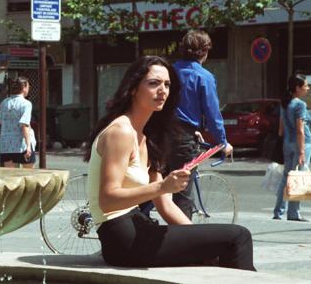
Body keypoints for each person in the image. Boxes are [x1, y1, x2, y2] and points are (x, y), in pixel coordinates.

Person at [85, 55, 255, 270]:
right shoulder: (121, 131)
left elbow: (166, 205)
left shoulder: (148, 136)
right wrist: (162, 186)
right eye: (153, 83)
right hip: (122, 236)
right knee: (239, 236)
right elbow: (107, 200)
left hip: (138, 228)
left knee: (222, 248)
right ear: (133, 88)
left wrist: (200, 241)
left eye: (167, 84)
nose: (162, 90)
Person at [166, 30, 233, 219]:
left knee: (153, 185)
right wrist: (223, 142)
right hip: (182, 138)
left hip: (159, 133)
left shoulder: (169, 71)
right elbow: (213, 115)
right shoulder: (203, 77)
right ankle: (183, 242)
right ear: (204, 52)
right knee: (182, 193)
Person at [273, 74, 311, 221]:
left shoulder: (284, 103)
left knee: (286, 177)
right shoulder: (300, 105)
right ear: (297, 88)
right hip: (302, 144)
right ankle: (293, 213)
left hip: (287, 143)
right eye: (305, 86)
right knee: (298, 178)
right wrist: (301, 151)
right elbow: (300, 129)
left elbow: (281, 128)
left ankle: (278, 211)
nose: (307, 88)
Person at [0, 76, 36, 168]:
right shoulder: (26, 103)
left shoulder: (4, 103)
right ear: (24, 88)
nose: (28, 89)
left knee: (10, 178)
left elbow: (1, 121)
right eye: (28, 87)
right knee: (29, 176)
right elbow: (24, 125)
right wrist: (28, 146)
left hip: (5, 145)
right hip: (21, 144)